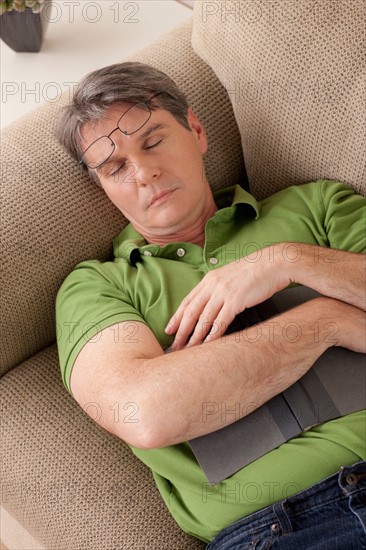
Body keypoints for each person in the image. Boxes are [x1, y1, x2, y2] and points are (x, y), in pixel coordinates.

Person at [55, 62, 366, 548]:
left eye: (153, 141)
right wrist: (326, 320)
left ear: (196, 131)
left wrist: (289, 260)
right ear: (103, 186)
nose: (145, 172)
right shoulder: (98, 287)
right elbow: (144, 412)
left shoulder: (316, 207)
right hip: (280, 529)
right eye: (116, 167)